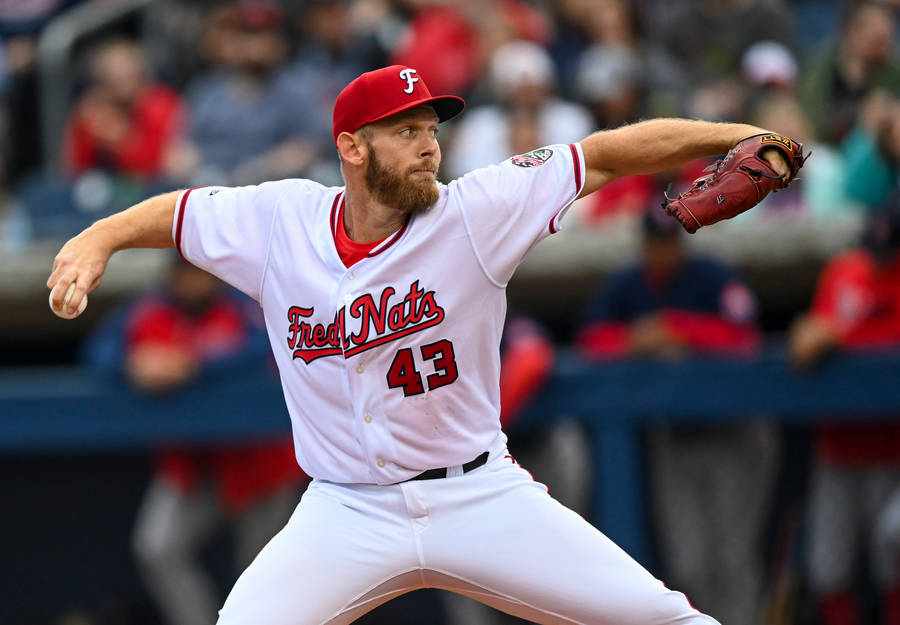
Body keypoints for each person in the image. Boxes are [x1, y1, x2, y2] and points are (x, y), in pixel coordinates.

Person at [48, 65, 793, 625]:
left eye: (432, 129)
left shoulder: (475, 211)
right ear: (352, 146)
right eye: (406, 131)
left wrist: (732, 138)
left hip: (475, 492)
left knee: (665, 619)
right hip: (343, 510)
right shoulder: (281, 220)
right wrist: (96, 238)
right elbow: (174, 212)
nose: (429, 147)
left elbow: (604, 154)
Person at [576, 210, 777, 625]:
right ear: (645, 245)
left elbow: (745, 337)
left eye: (670, 242)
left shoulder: (711, 276)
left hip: (733, 437)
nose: (663, 251)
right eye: (656, 243)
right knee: (689, 565)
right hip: (675, 439)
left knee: (734, 560)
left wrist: (678, 328)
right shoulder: (628, 285)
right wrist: (636, 339)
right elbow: (589, 340)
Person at [83, 256, 307, 625]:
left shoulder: (243, 300)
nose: (194, 282)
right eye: (185, 273)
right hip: (195, 466)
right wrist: (133, 364)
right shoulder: (148, 308)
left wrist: (194, 363)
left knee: (260, 569)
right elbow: (99, 352)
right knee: (158, 547)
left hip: (260, 463)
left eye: (201, 274)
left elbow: (271, 345)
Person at [789, 204, 900, 625]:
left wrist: (841, 336)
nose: (878, 258)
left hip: (891, 448)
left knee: (892, 562)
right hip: (837, 446)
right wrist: (807, 335)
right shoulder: (845, 269)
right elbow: (812, 336)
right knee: (828, 567)